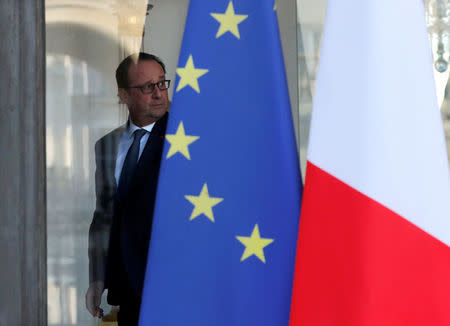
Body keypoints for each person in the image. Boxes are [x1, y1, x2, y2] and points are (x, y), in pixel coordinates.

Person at [85, 52, 170, 325]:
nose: (158, 93)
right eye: (147, 87)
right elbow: (104, 215)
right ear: (124, 95)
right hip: (128, 292)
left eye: (162, 83)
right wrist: (98, 278)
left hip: (174, 285)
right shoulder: (106, 145)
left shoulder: (186, 140)